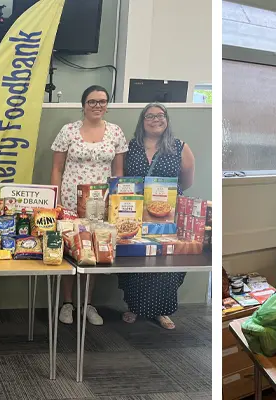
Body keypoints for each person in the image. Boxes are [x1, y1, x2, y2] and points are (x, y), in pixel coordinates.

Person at [51, 85, 128, 325]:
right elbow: (56, 168)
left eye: (102, 101)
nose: (97, 105)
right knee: (70, 251)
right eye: (92, 101)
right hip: (71, 202)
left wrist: (118, 206)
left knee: (95, 253)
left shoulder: (115, 132)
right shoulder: (68, 131)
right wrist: (57, 202)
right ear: (83, 105)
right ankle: (67, 303)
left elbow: (118, 173)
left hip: (101, 205)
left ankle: (87, 303)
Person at [119, 102, 195, 329]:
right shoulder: (130, 147)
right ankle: (134, 306)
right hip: (134, 214)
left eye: (160, 115)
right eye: (150, 116)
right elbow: (122, 178)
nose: (156, 119)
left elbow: (187, 182)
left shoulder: (180, 147)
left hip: (168, 216)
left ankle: (162, 311)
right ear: (142, 121)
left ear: (167, 119)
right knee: (137, 258)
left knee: (165, 260)